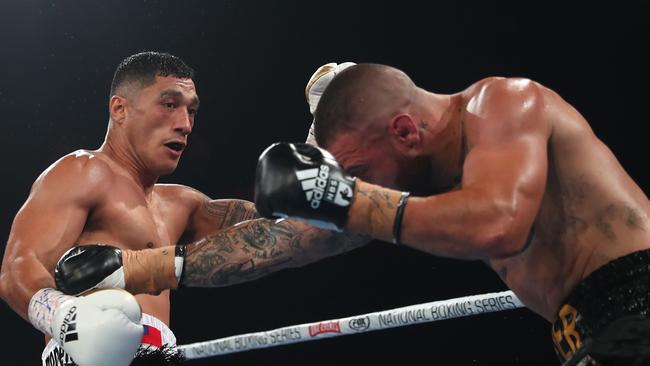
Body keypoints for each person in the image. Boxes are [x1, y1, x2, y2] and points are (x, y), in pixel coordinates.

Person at [254, 63, 650, 365]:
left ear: (406, 132)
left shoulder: (503, 103)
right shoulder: (444, 185)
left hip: (637, 299)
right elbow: (308, 236)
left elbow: (500, 224)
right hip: (589, 331)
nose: (365, 188)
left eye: (360, 173)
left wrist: (343, 199)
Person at [0, 52, 366, 366]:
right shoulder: (82, 171)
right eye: (170, 104)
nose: (185, 124)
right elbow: (17, 268)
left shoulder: (183, 203)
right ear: (120, 108)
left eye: (191, 111)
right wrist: (66, 317)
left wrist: (323, 132)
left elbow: (288, 229)